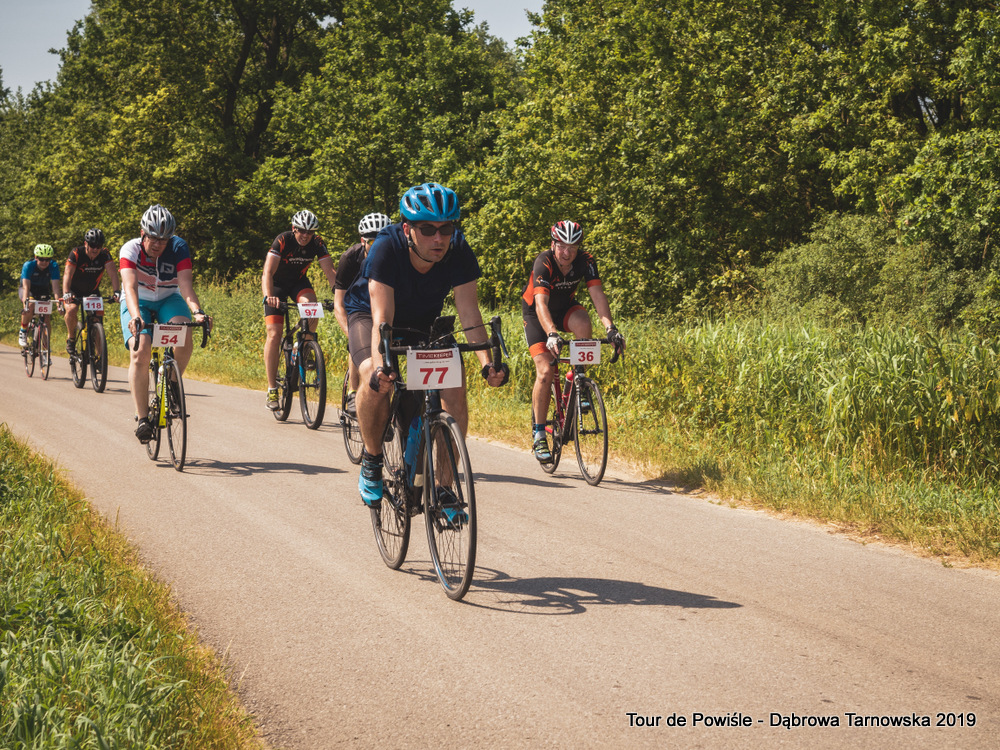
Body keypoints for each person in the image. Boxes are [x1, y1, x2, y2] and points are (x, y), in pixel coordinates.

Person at [344, 182, 508, 507]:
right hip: (370, 314)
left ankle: (444, 488)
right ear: (408, 229)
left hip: (422, 321)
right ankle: (372, 459)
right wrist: (382, 368)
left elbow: (469, 312)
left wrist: (487, 363)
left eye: (446, 228)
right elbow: (382, 318)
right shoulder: (386, 247)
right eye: (428, 229)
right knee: (373, 375)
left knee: (455, 388)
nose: (439, 238)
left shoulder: (457, 249)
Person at [521, 220, 625, 463]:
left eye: (573, 248)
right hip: (537, 314)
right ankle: (539, 434)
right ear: (553, 244)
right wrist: (551, 333)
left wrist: (610, 329)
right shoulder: (544, 261)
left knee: (583, 322)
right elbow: (541, 304)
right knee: (545, 371)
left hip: (565, 308)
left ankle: (578, 379)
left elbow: (597, 294)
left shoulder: (586, 261)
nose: (567, 253)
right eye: (562, 246)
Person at [120, 205, 210, 443]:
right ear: (142, 233)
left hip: (169, 297)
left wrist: (197, 312)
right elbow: (129, 287)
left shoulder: (179, 247)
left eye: (164, 239)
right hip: (138, 300)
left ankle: (171, 381)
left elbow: (185, 284)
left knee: (184, 331)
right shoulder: (130, 249)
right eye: (153, 238)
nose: (158, 244)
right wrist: (136, 316)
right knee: (141, 350)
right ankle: (142, 419)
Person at [261, 209, 338, 411]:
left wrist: (339, 295)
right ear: (294, 228)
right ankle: (271, 388)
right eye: (302, 230)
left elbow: (330, 271)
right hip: (276, 286)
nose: (305, 235)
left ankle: (304, 346)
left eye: (310, 232)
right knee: (274, 334)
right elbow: (267, 272)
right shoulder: (282, 240)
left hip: (298, 283)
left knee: (312, 306)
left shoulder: (317, 243)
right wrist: (269, 296)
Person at [334, 212, 392, 416]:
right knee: (358, 345)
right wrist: (350, 333)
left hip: (385, 308)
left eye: (383, 241)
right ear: (362, 241)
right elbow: (339, 303)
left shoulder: (395, 256)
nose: (378, 247)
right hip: (359, 308)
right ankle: (353, 391)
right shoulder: (350, 259)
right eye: (372, 242)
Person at [62, 228, 121, 354]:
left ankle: (100, 357)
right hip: (73, 291)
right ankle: (71, 338)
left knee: (97, 320)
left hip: (92, 291)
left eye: (98, 246)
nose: (95, 249)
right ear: (85, 244)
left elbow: (113, 274)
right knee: (71, 310)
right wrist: (66, 292)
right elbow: (67, 274)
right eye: (92, 245)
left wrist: (117, 291)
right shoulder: (76, 253)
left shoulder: (105, 254)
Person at [18, 244, 62, 349]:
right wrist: (26, 305)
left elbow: (56, 288)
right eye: (41, 259)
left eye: (47, 260)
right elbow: (26, 287)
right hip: (28, 290)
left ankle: (46, 346)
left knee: (46, 317)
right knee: (30, 306)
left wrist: (59, 305)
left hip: (43, 290)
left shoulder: (53, 266)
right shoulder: (28, 265)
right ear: (35, 257)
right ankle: (23, 331)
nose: (44, 262)